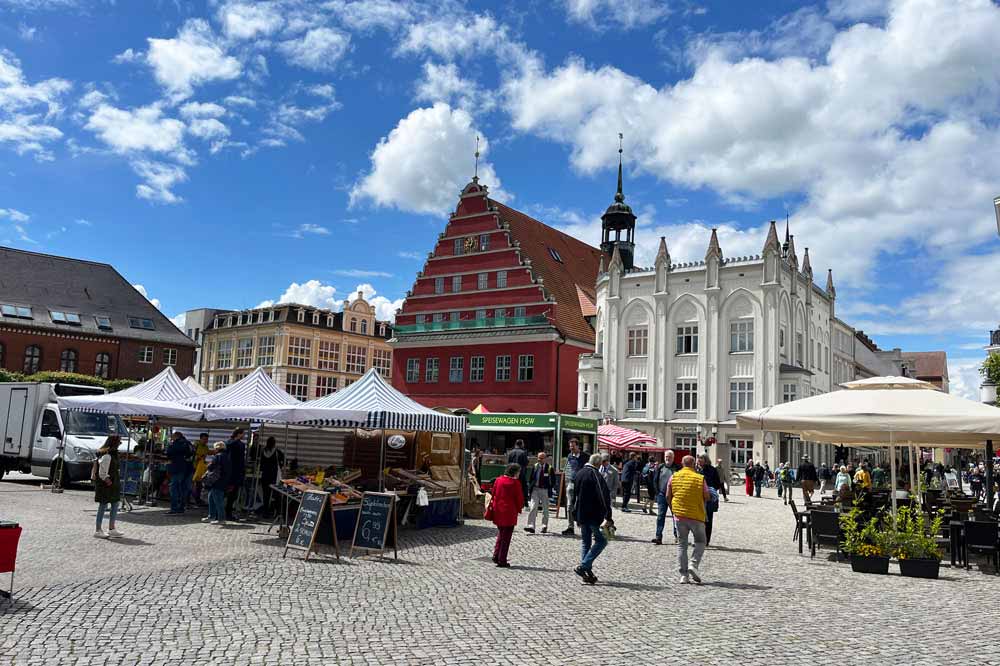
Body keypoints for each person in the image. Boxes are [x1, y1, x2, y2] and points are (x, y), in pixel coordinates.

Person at [667, 455, 710, 584]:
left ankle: (684, 575)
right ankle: (693, 564)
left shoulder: (674, 477)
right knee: (701, 541)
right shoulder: (700, 478)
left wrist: (673, 509)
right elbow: (707, 496)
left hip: (679, 516)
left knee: (682, 545)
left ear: (682, 463)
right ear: (694, 464)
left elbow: (668, 495)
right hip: (696, 516)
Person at [574, 453, 612, 585]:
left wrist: (575, 515)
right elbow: (603, 496)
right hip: (593, 514)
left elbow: (575, 496)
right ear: (598, 463)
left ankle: (586, 573)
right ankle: (583, 566)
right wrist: (608, 515)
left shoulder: (579, 473)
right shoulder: (595, 474)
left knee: (586, 542)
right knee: (601, 541)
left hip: (581, 514)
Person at [490, 464, 523, 567]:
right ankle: (502, 559)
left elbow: (493, 493)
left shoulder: (498, 480)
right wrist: (520, 508)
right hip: (509, 512)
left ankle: (496, 555)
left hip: (498, 510)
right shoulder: (515, 483)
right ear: (515, 472)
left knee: (501, 534)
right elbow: (519, 498)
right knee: (506, 537)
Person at [94, 435, 124, 539]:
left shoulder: (113, 454)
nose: (120, 444)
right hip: (106, 485)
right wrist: (108, 481)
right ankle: (98, 530)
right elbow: (102, 472)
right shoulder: (107, 455)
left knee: (115, 505)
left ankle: (111, 528)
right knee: (103, 506)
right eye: (119, 442)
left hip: (113, 484)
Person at [524, 452, 555, 533]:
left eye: (541, 458)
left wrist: (549, 487)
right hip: (535, 489)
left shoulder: (550, 468)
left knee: (545, 509)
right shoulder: (535, 466)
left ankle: (544, 526)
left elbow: (553, 480)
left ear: (545, 459)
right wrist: (530, 488)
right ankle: (531, 526)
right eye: (538, 458)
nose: (539, 459)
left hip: (545, 490)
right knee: (533, 507)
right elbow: (531, 478)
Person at [697, 454, 723, 546]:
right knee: (697, 520)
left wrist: (710, 490)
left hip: (709, 498)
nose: (699, 460)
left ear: (705, 460)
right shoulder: (696, 470)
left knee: (708, 520)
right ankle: (699, 539)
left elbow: (717, 483)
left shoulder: (712, 470)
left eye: (701, 459)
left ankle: (706, 540)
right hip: (697, 498)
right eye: (698, 458)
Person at [166, 430, 194, 515]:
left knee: (174, 488)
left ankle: (174, 508)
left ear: (176, 436)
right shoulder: (189, 443)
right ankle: (181, 508)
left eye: (173, 437)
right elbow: (191, 453)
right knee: (183, 489)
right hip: (188, 469)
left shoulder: (175, 444)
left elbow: (168, 453)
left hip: (178, 468)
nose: (172, 438)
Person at [201, 442, 230, 525]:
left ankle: (221, 519)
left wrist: (208, 464)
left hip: (217, 481)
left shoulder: (218, 456)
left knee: (218, 500)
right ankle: (211, 516)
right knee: (211, 498)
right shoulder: (227, 456)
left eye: (215, 448)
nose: (214, 450)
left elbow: (211, 467)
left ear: (217, 448)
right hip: (222, 480)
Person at [651, 450, 676, 545]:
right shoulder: (660, 467)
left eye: (669, 457)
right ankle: (658, 536)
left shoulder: (677, 468)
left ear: (673, 458)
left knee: (675, 516)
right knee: (660, 516)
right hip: (662, 495)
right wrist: (657, 493)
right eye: (666, 457)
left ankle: (677, 535)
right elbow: (655, 480)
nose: (667, 458)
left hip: (674, 496)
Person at [562, 439, 586, 535]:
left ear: (578, 446)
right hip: (571, 483)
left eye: (573, 446)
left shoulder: (585, 456)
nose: (571, 448)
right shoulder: (569, 456)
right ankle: (570, 527)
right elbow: (569, 469)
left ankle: (584, 526)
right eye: (570, 446)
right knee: (569, 506)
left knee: (581, 505)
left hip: (582, 484)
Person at [258, 436, 285, 518]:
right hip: (274, 476)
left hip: (265, 476)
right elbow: (283, 462)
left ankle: (265, 513)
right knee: (277, 495)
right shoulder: (277, 451)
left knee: (266, 496)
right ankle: (278, 513)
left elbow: (261, 464)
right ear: (274, 443)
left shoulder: (263, 451)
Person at [225, 428, 247, 522]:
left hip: (231, 472)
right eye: (243, 434)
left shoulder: (229, 443)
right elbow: (240, 461)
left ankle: (225, 512)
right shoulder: (237, 444)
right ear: (239, 434)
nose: (244, 436)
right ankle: (227, 513)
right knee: (232, 494)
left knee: (230, 494)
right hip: (235, 473)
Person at [506, 439, 529, 506]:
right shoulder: (523, 452)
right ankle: (524, 502)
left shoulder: (511, 452)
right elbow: (526, 462)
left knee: (512, 487)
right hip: (521, 473)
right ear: (521, 444)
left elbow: (508, 463)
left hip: (511, 474)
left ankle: (512, 501)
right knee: (523, 487)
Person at [192, 433, 211, 507]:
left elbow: (208, 452)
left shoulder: (205, 446)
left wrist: (215, 451)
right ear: (200, 439)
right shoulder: (196, 445)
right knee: (193, 484)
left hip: (200, 468)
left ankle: (197, 500)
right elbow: (192, 454)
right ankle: (188, 500)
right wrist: (198, 457)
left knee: (199, 485)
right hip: (193, 467)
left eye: (207, 439)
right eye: (204, 439)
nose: (206, 441)